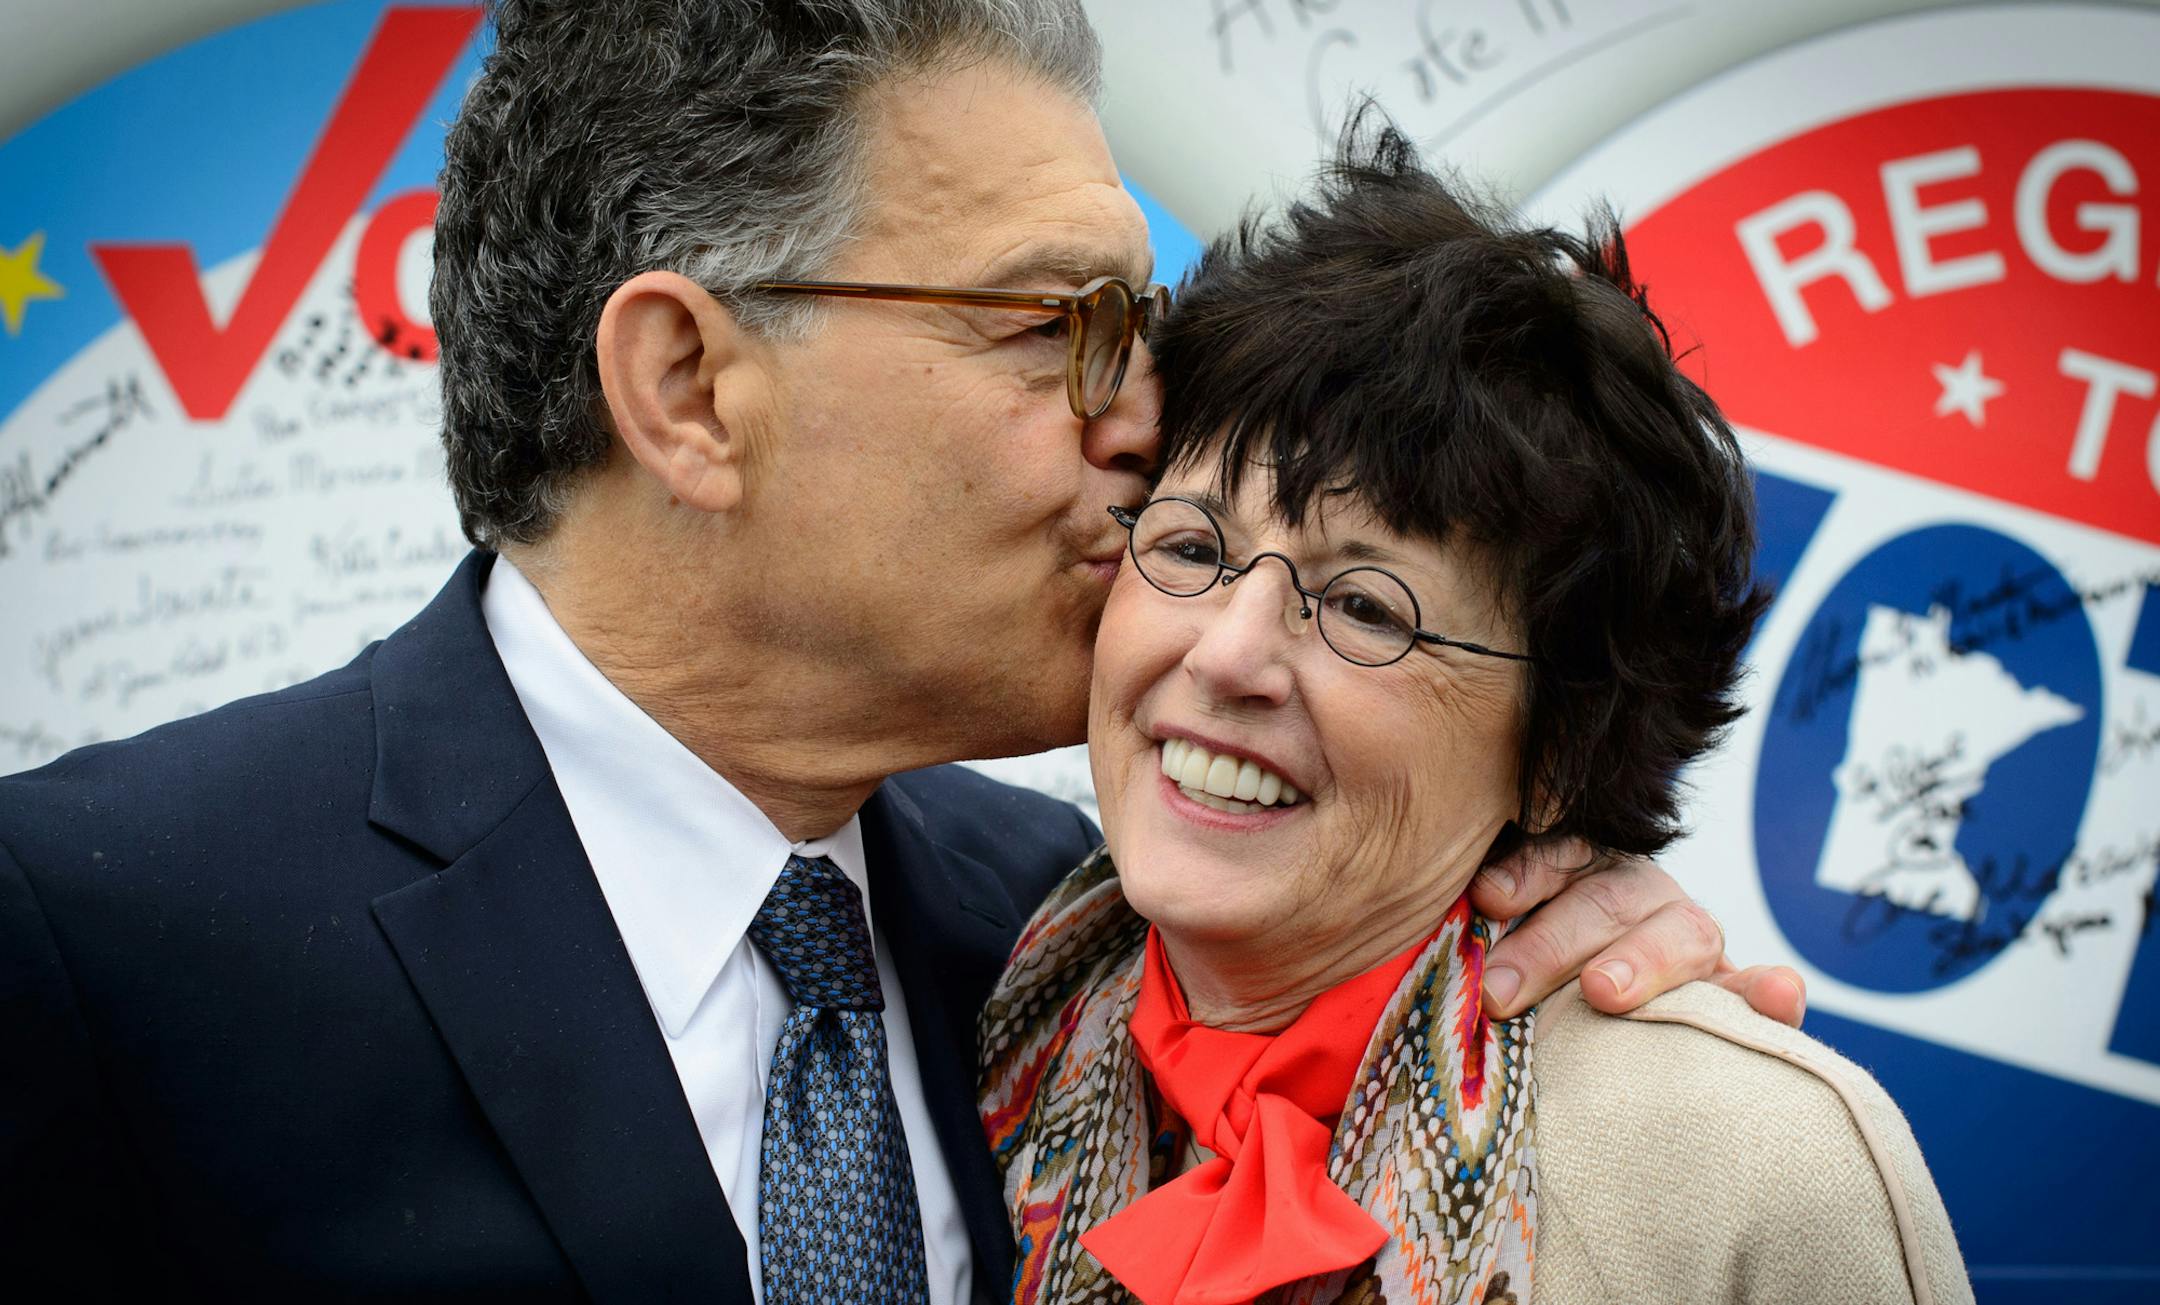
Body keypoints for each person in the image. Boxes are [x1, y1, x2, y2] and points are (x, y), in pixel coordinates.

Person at [1, 5, 1797, 1302]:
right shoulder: (91, 938)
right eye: (1058, 326)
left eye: (1143, 325)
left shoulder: (1073, 935)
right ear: (692, 390)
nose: (1143, 417)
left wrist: (1528, 914)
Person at [980, 123, 1971, 1305]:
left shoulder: (1744, 1168)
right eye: (1194, 545)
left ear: (1556, 753)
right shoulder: (969, 997)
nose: (1229, 653)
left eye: (1363, 607)